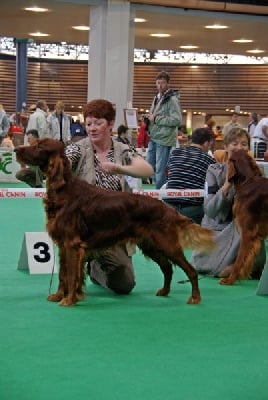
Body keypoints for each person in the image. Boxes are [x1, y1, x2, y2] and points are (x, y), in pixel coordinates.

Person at [65, 99, 154, 294]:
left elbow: (147, 170)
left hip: (112, 230)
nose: (92, 128)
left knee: (125, 285)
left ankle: (95, 269)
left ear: (110, 124)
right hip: (82, 226)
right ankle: (82, 267)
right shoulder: (77, 149)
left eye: (98, 123)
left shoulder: (122, 149)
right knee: (70, 276)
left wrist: (120, 168)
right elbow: (61, 166)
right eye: (88, 124)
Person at [191, 127, 266, 278]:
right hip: (218, 230)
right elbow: (210, 210)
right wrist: (227, 185)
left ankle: (239, 266)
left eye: (244, 144)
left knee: (249, 226)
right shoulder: (214, 170)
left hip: (244, 231)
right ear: (225, 147)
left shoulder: (258, 173)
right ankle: (238, 266)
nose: (239, 148)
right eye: (235, 143)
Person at [164, 128, 215, 224]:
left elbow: (168, 174)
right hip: (193, 207)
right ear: (206, 143)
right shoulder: (209, 160)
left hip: (169, 205)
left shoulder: (175, 153)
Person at [146, 71, 181, 189]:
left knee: (160, 169)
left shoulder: (172, 100)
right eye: (158, 83)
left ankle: (160, 197)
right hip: (154, 136)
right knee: (149, 166)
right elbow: (153, 116)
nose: (160, 85)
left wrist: (156, 119)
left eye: (163, 83)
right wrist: (148, 118)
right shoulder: (156, 98)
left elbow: (176, 120)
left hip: (165, 139)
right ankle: (156, 190)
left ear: (168, 84)